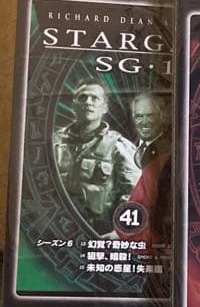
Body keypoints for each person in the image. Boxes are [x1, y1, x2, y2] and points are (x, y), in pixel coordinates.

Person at [52, 80, 139, 234]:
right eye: (83, 97)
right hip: (56, 229)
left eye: (95, 98)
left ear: (104, 108)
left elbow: (135, 193)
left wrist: (119, 232)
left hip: (99, 233)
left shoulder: (118, 146)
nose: (88, 102)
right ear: (74, 105)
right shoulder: (53, 142)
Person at [125, 91, 172, 248]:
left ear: (161, 117)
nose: (144, 122)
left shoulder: (168, 151)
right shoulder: (129, 145)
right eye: (139, 116)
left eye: (150, 116)